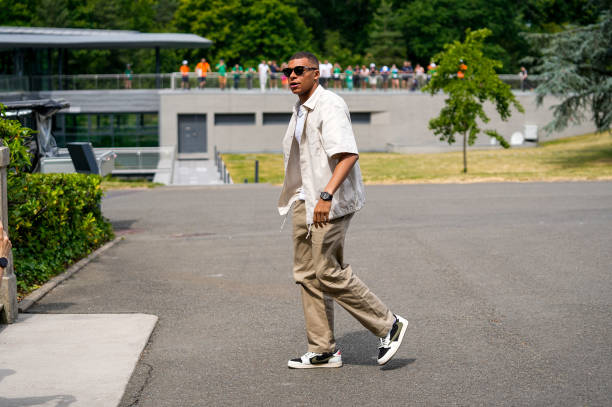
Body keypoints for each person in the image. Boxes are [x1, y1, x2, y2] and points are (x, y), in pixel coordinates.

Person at [279, 51, 408, 369]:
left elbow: (348, 155)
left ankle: (388, 324)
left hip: (328, 203)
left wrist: (325, 196)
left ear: (315, 73)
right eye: (287, 71)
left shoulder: (330, 105)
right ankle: (322, 349)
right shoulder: (300, 109)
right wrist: (303, 199)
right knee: (307, 275)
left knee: (327, 271)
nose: (292, 76)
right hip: (304, 200)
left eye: (299, 70)